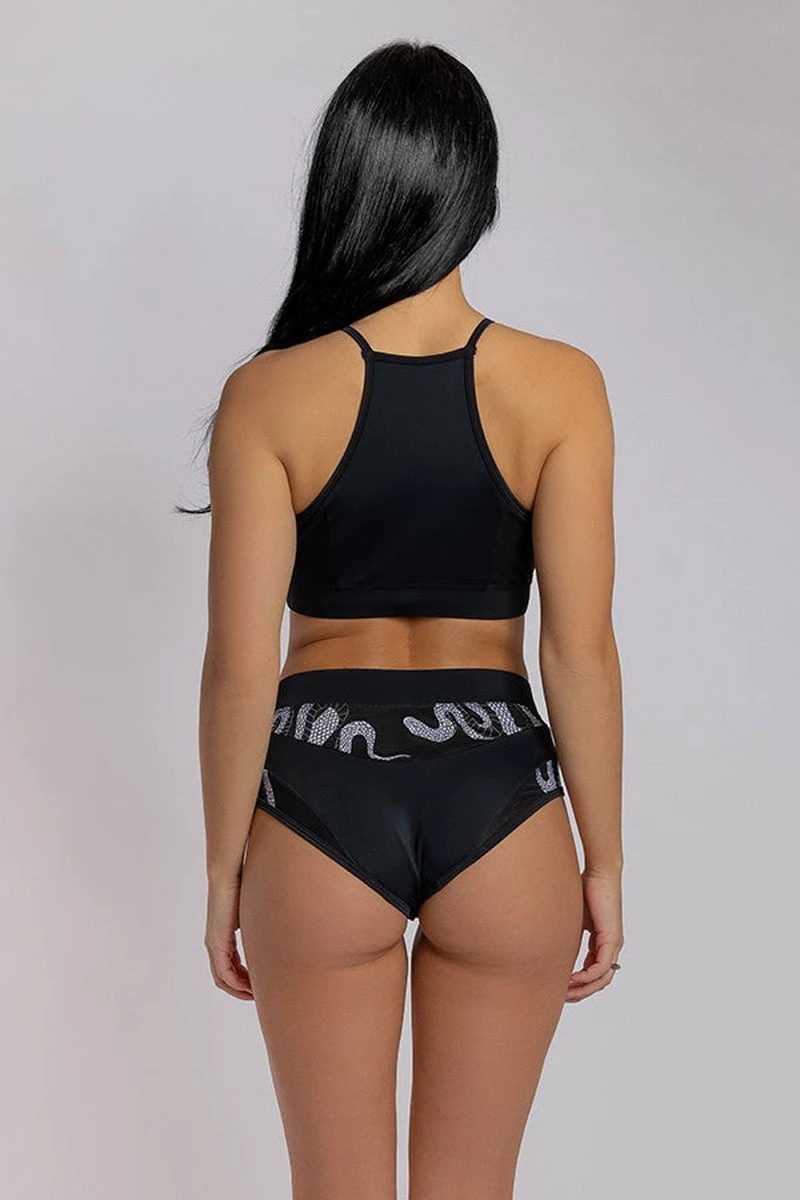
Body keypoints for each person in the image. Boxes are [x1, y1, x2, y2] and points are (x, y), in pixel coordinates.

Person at [186, 38, 624, 1200]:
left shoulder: (268, 394)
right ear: (476, 188)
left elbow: (240, 663)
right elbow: (577, 651)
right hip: (502, 797)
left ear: (345, 184)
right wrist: (603, 861)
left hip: (317, 795)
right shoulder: (561, 385)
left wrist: (225, 868)